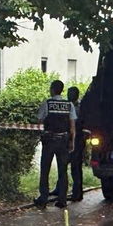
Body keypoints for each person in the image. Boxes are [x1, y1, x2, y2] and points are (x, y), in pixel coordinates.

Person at [34, 78, 75, 208]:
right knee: (63, 170)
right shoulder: (69, 104)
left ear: (52, 89)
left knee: (45, 168)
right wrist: (72, 141)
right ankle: (62, 199)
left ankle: (43, 198)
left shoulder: (47, 103)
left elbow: (39, 121)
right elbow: (72, 125)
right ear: (62, 90)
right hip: (63, 140)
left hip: (49, 140)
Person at [66, 85, 86, 201]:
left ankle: (77, 193)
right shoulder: (68, 106)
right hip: (69, 138)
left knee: (75, 166)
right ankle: (60, 188)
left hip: (77, 140)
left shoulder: (79, 108)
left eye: (71, 94)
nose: (69, 96)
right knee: (63, 165)